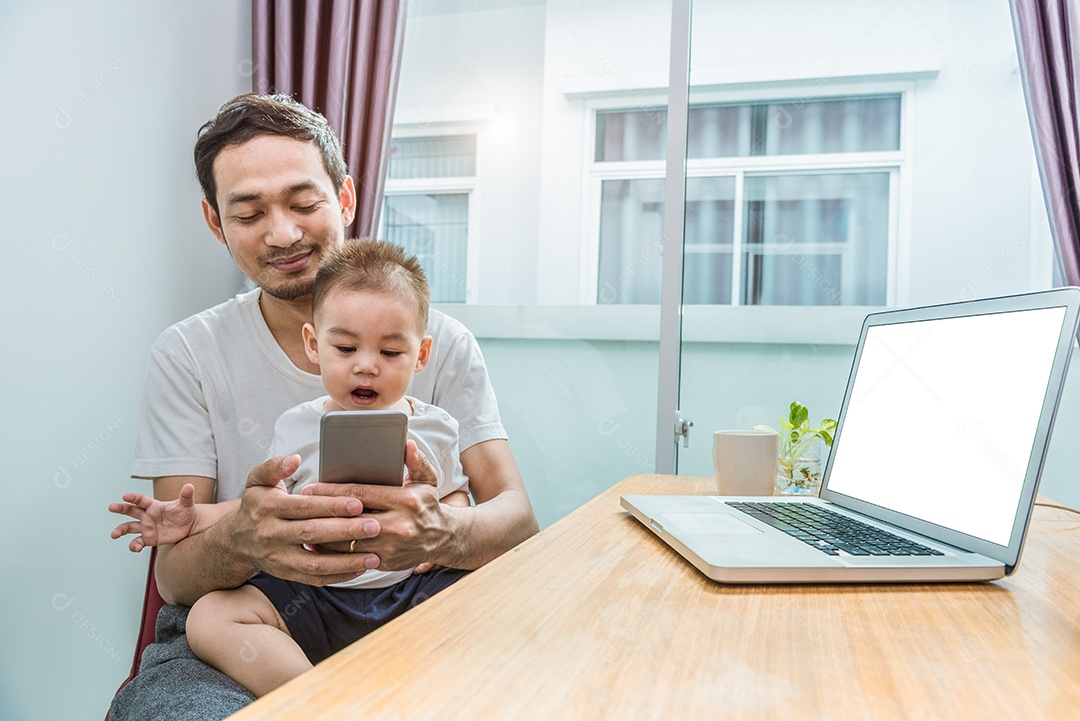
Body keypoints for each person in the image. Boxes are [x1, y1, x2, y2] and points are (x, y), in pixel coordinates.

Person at [113, 93, 538, 717]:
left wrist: (445, 531)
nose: (283, 233)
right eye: (250, 212)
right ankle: (333, 703)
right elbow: (175, 580)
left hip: (415, 604)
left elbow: (518, 523)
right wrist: (241, 534)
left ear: (344, 198)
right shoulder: (189, 352)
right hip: (272, 617)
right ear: (215, 222)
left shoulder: (441, 344)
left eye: (304, 203)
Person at [111, 239, 473, 697]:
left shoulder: (436, 427)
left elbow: (456, 499)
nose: (366, 366)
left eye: (390, 353)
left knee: (488, 591)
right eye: (345, 347)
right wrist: (193, 519)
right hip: (312, 595)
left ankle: (409, 687)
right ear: (313, 345)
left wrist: (441, 537)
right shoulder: (296, 426)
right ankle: (320, 698)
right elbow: (261, 507)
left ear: (421, 355)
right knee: (210, 618)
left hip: (409, 596)